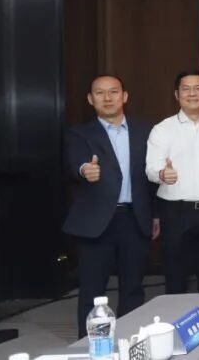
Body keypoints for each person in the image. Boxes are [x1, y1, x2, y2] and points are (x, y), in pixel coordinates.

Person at [64, 74, 157, 337]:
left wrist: (156, 215)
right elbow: (75, 164)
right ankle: (90, 346)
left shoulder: (147, 130)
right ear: (90, 99)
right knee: (92, 291)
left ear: (124, 96)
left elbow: (152, 176)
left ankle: (130, 342)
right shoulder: (79, 133)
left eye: (113, 92)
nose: (107, 98)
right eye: (100, 93)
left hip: (135, 218)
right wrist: (85, 170)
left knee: (133, 288)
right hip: (96, 222)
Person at [145, 70, 199, 294]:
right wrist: (162, 174)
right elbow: (151, 168)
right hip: (175, 212)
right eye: (186, 89)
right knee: (175, 276)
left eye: (198, 88)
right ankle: (176, 317)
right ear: (176, 94)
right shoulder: (163, 129)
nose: (192, 93)